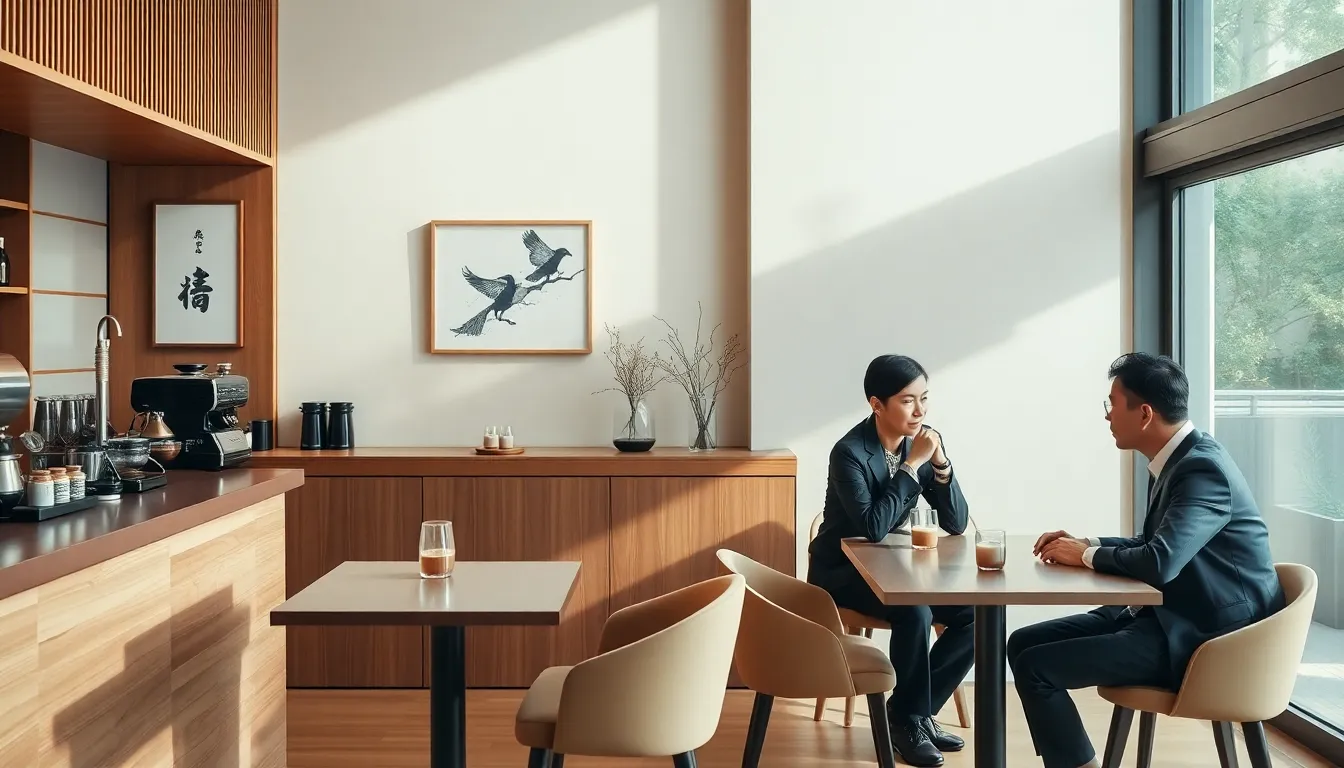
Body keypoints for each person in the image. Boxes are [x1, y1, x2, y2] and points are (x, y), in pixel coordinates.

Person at [1010, 353, 1284, 768]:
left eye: (1111, 404)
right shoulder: (1180, 459)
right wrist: (1087, 542)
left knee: (1036, 666)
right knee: (1021, 642)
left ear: (1143, 413)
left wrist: (1084, 556)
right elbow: (1155, 542)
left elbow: (1160, 561)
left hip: (1208, 640)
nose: (1106, 417)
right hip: (1166, 616)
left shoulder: (1201, 468)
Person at [807, 354, 972, 767]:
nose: (920, 411)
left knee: (976, 613)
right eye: (907, 401)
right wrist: (914, 465)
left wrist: (941, 464)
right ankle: (910, 720)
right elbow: (873, 527)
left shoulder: (924, 441)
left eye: (924, 398)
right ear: (876, 404)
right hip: (842, 570)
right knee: (914, 612)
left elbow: (956, 522)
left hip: (893, 569)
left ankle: (909, 712)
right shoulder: (848, 453)